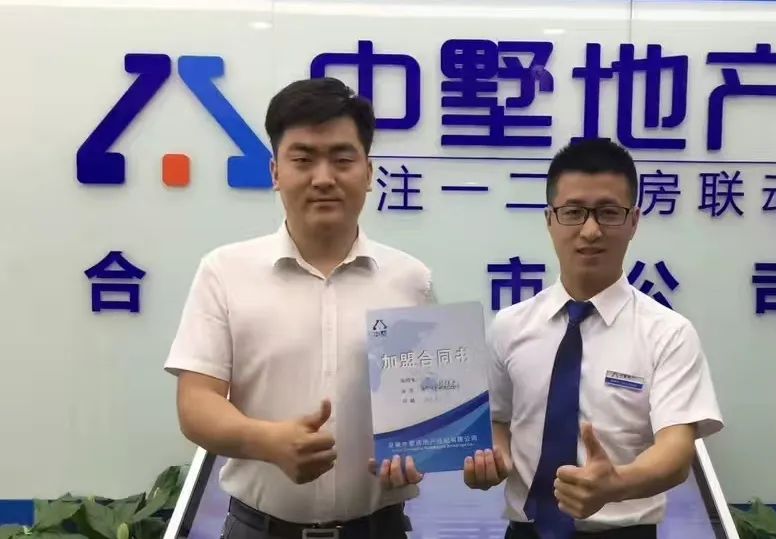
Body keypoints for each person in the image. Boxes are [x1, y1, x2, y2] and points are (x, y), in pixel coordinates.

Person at [164, 78, 432, 539]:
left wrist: (419, 453)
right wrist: (266, 441)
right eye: (303, 159)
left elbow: (425, 407)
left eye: (342, 159)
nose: (323, 178)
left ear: (368, 172)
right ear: (275, 172)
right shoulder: (224, 272)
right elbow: (196, 402)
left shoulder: (411, 280)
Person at [463, 139, 724, 539]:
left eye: (608, 212)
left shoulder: (668, 333)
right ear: (549, 219)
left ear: (633, 221)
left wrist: (616, 484)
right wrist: (494, 459)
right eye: (573, 212)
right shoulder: (509, 326)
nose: (590, 230)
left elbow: (677, 450)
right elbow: (498, 419)